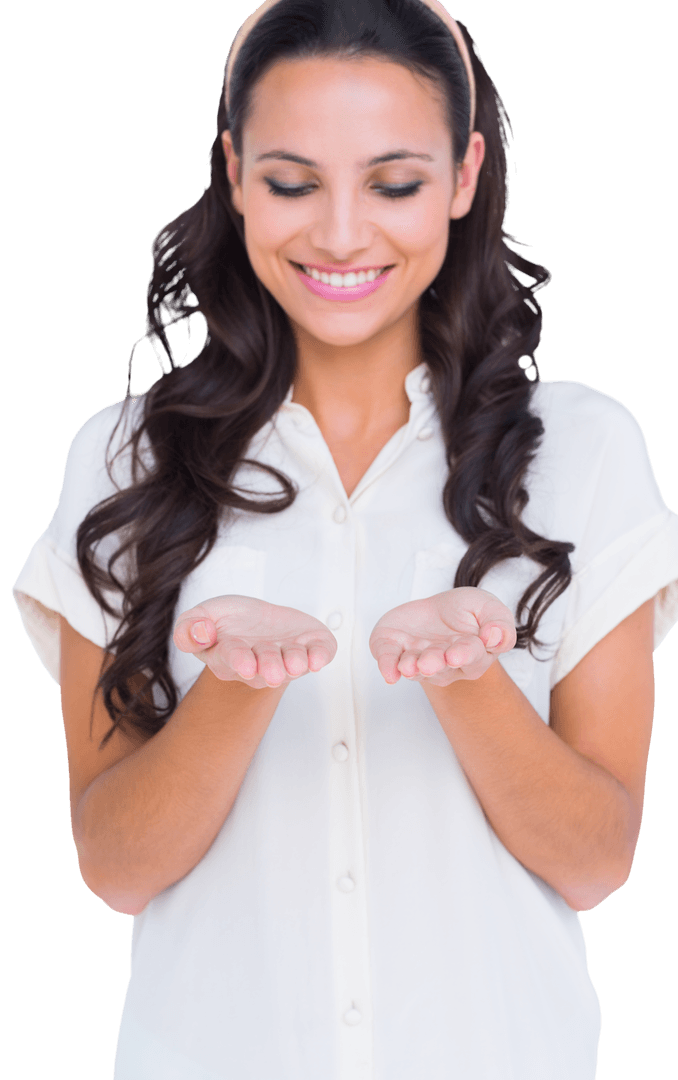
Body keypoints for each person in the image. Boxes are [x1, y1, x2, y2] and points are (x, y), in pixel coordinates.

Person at [11, 0, 678, 1076]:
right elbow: (116, 867)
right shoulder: (126, 457)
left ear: (463, 178)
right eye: (291, 182)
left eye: (395, 183)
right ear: (233, 174)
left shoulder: (586, 451)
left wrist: (468, 677)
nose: (339, 234)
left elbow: (597, 860)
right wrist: (236, 682)